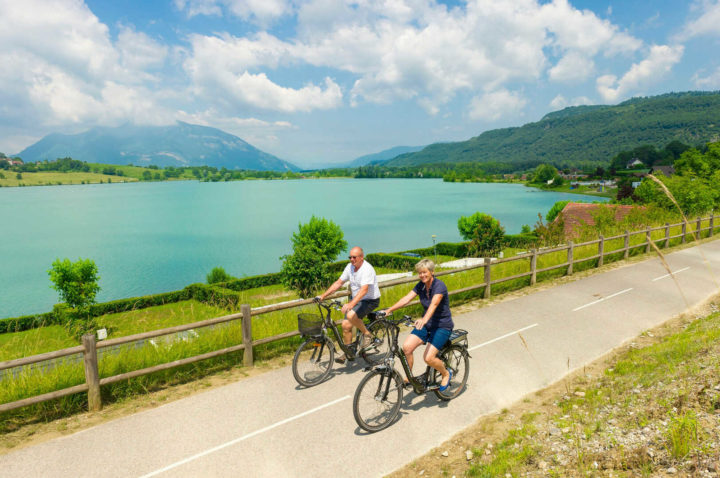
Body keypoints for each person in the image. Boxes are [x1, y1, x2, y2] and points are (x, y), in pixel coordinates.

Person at [383, 258, 453, 391]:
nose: (422, 275)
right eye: (420, 273)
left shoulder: (439, 286)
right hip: (427, 325)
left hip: (441, 326)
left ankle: (445, 373)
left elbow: (434, 304)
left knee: (428, 358)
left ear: (432, 272)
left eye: (425, 272)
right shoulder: (420, 285)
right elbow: (406, 299)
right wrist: (389, 310)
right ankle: (409, 377)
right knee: (407, 348)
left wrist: (424, 320)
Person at [316, 246, 381, 363]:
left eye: (354, 257)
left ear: (361, 257)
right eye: (350, 257)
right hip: (357, 299)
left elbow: (364, 290)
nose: (351, 259)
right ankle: (348, 352)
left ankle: (367, 334)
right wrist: (323, 296)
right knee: (346, 325)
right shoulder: (350, 267)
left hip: (370, 299)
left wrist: (351, 304)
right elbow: (338, 283)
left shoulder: (367, 269)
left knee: (351, 316)